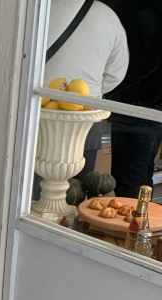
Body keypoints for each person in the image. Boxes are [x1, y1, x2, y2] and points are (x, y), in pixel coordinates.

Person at [34, 0, 128, 202]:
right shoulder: (108, 16)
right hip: (86, 114)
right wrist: (86, 93)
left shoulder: (36, 8)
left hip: (38, 109)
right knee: (77, 190)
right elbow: (116, 74)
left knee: (34, 189)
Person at [102, 0, 162, 198]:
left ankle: (135, 217)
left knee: (129, 184)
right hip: (150, 105)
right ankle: (142, 216)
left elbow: (138, 61)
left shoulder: (139, 8)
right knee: (142, 176)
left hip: (137, 104)